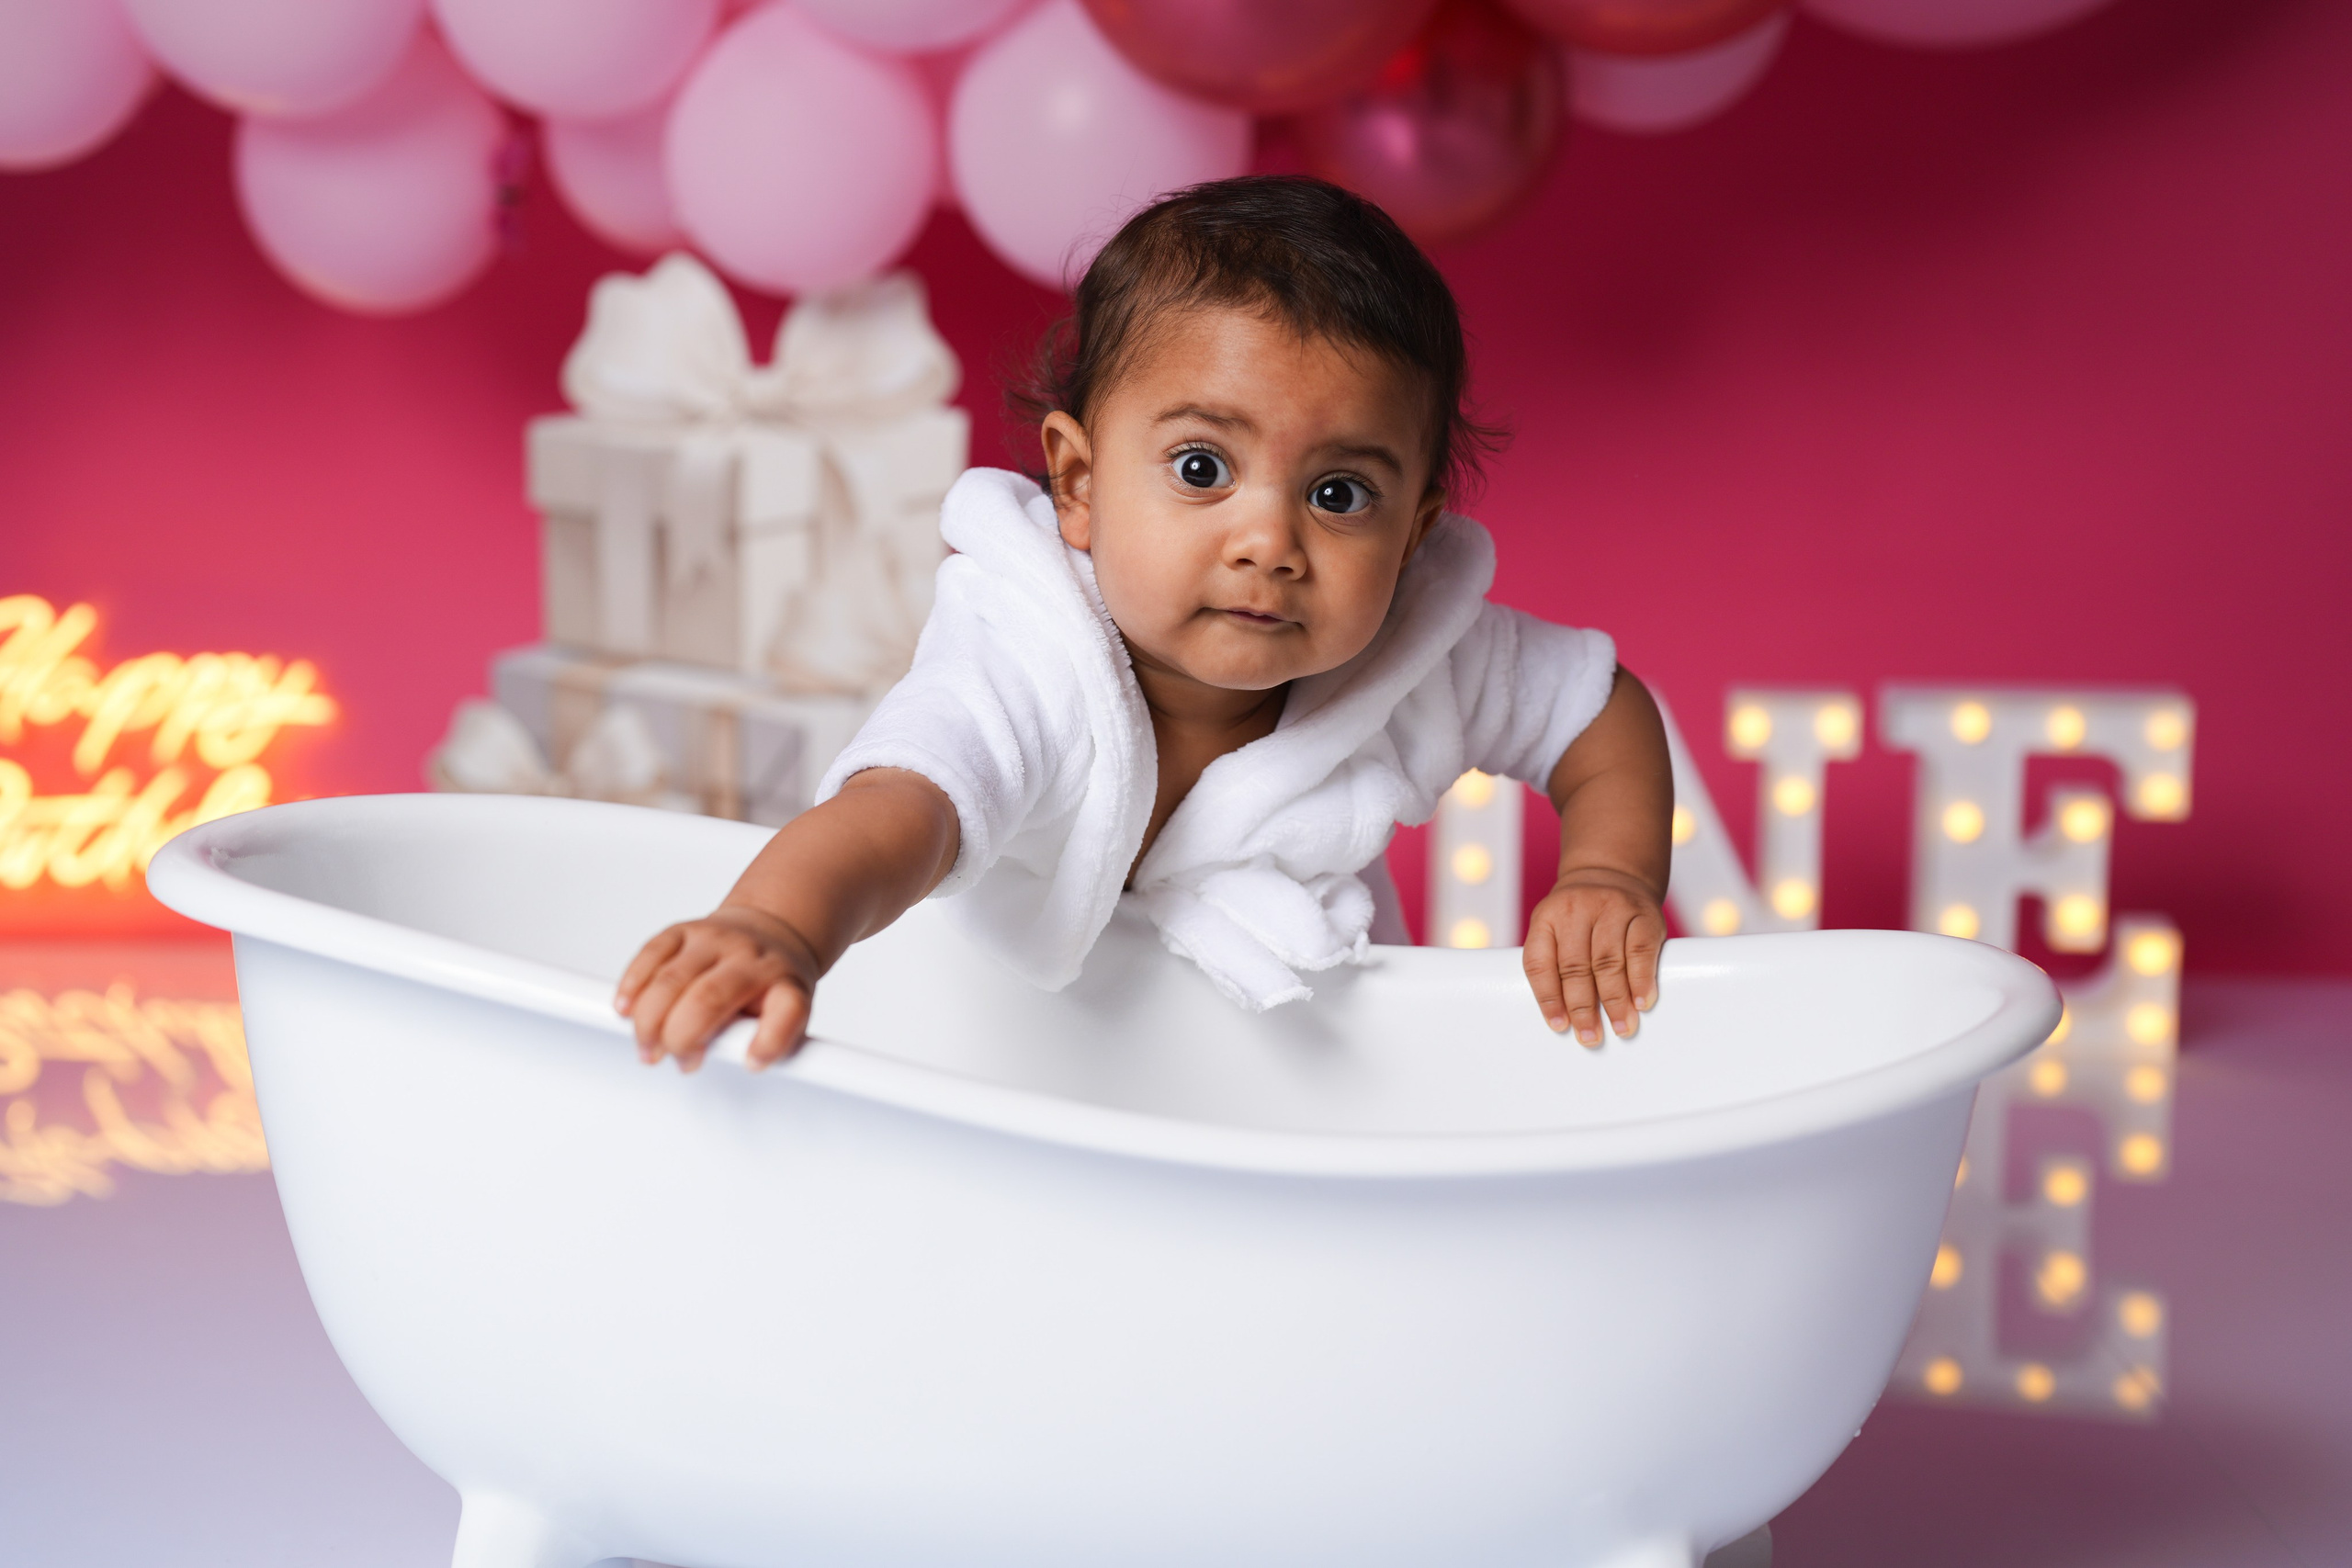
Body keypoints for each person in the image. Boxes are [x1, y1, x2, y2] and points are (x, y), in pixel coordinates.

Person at [616, 175, 1673, 1072]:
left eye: (1341, 494)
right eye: (1201, 469)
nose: (1269, 542)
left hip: (1304, 1072)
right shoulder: (1032, 648)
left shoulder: (1411, 654)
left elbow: (1598, 710)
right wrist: (775, 928)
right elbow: (904, 807)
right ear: (1077, 483)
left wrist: (1607, 876)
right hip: (1021, 1059)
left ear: (1411, 537)